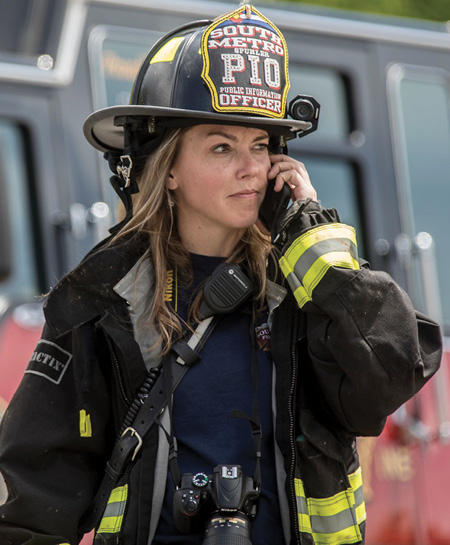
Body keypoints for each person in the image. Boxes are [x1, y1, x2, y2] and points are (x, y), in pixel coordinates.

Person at [0, 5, 442, 545]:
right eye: (221, 146)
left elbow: (395, 369)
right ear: (168, 174)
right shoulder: (107, 302)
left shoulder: (308, 293)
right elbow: (32, 496)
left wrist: (313, 242)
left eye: (260, 145)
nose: (251, 167)